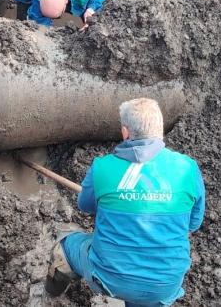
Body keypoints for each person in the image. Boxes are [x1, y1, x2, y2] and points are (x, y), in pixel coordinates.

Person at [46, 98, 206, 307]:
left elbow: (84, 206)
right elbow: (193, 223)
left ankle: (51, 292)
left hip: (108, 280)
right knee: (144, 297)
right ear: (159, 130)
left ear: (125, 132)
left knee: (66, 245)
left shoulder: (103, 167)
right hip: (164, 286)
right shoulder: (188, 168)